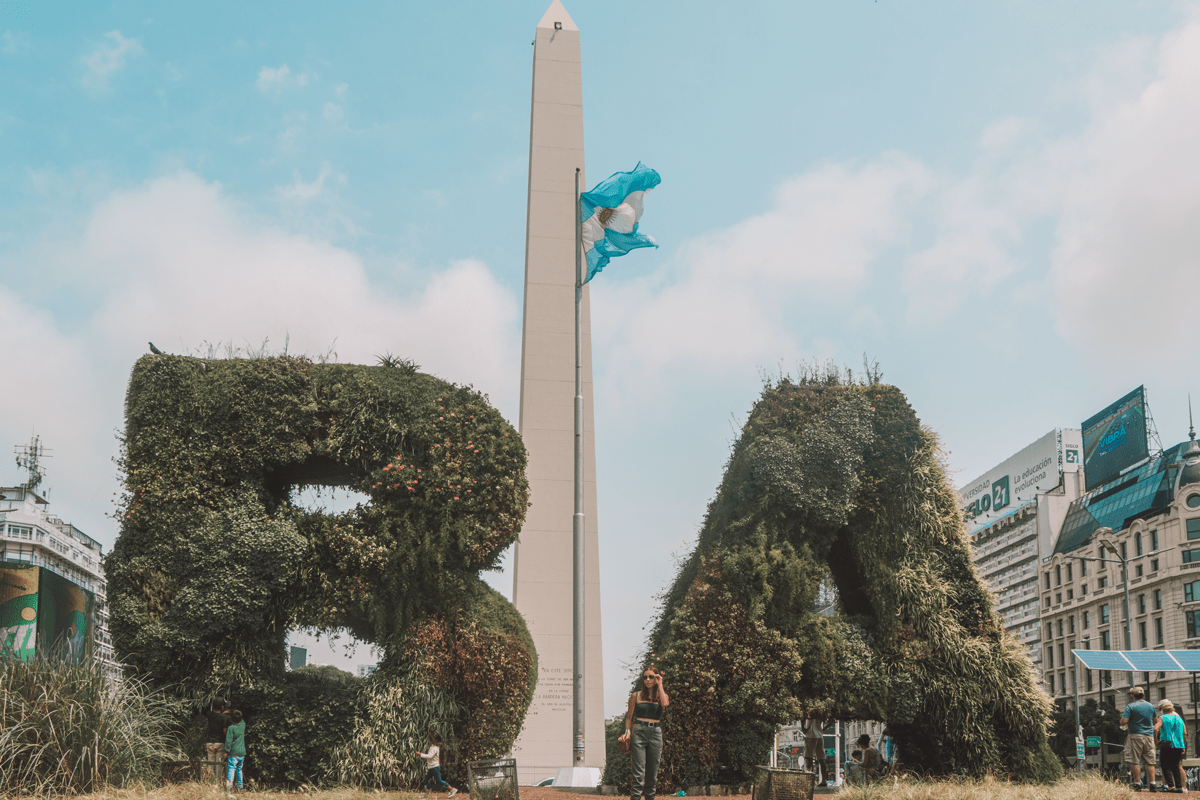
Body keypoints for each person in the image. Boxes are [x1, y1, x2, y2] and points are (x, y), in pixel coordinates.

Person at [618, 667, 670, 800]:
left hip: (656, 733)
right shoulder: (636, 696)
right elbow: (629, 718)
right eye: (645, 677)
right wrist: (628, 732)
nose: (648, 680)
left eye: (651, 677)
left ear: (656, 677)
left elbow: (665, 704)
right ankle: (635, 798)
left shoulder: (660, 696)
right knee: (638, 772)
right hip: (639, 731)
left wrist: (660, 685)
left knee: (652, 771)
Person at [1122, 686, 1159, 791]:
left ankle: (1137, 784)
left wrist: (1124, 721)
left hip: (1135, 735)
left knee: (1135, 760)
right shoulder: (1150, 706)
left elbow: (1124, 721)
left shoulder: (1131, 706)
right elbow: (1155, 720)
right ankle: (1153, 784)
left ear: (1133, 695)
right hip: (1149, 736)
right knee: (1150, 761)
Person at [417, 731, 457, 797]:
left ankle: (451, 789)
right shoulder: (434, 747)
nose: (428, 740)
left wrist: (420, 754)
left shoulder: (433, 748)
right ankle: (427, 794)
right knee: (425, 779)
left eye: (429, 739)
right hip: (432, 767)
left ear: (432, 740)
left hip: (434, 768)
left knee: (439, 781)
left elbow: (429, 756)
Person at [1158, 700, 1186, 794]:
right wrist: (1183, 746)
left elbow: (1155, 728)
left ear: (1163, 709)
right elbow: (1184, 732)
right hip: (1178, 745)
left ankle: (1171, 786)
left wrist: (1156, 740)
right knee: (1176, 766)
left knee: (1165, 765)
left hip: (1166, 744)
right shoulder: (1179, 718)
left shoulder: (1162, 717)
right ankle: (1179, 787)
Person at [205, 698, 231, 781]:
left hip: (210, 742)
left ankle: (210, 782)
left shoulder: (209, 715)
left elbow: (211, 713)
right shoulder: (224, 717)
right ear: (222, 707)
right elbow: (225, 732)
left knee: (211, 765)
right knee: (219, 766)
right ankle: (218, 783)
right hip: (220, 742)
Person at [800, 717, 830, 786]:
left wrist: (803, 729)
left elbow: (802, 718)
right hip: (819, 736)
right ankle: (823, 781)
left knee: (809, 758)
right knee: (821, 759)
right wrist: (822, 730)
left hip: (810, 735)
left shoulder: (808, 709)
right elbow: (831, 721)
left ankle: (810, 781)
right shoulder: (821, 711)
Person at [225, 709, 246, 792]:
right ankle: (240, 786)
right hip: (242, 752)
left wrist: (226, 751)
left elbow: (228, 741)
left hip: (233, 752)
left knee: (231, 768)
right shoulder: (242, 726)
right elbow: (242, 720)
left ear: (231, 719)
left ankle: (229, 787)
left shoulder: (231, 728)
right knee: (239, 769)